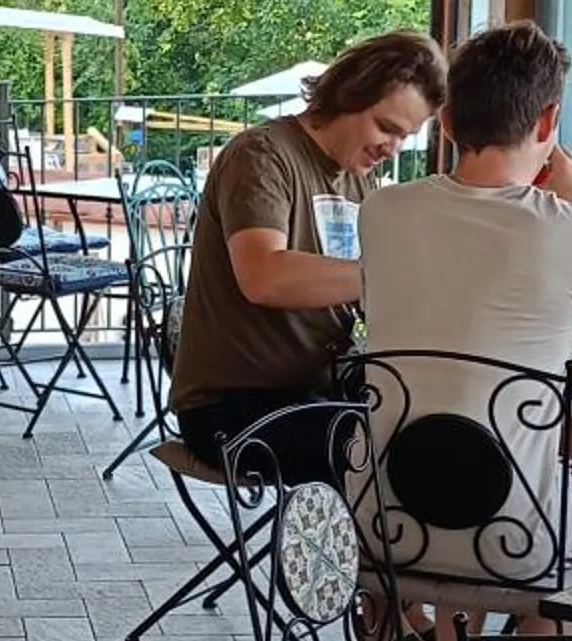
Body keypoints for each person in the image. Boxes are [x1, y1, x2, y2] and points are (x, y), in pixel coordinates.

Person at [359, 19, 572, 598]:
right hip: (518, 544)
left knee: (496, 465)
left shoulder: (382, 212)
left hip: (383, 525)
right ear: (548, 122)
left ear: (447, 121)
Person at [172, 30, 445, 478]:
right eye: (386, 128)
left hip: (315, 390)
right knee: (388, 459)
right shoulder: (261, 155)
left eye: (405, 136)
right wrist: (388, 275)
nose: (393, 148)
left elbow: (361, 291)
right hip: (230, 407)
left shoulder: (358, 180)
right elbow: (264, 276)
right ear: (349, 95)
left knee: (438, 430)